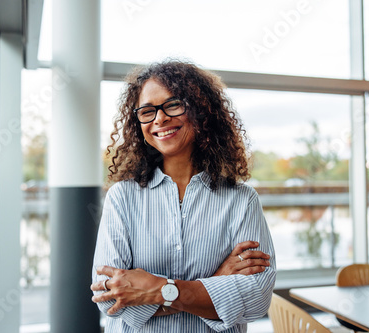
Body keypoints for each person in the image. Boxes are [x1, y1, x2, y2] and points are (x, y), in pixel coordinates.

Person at [91, 60, 276, 332]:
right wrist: (215, 285)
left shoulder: (242, 200)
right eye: (147, 111)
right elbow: (110, 301)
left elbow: (256, 298)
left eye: (173, 105)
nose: (159, 118)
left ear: (201, 111)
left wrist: (156, 290)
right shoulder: (122, 197)